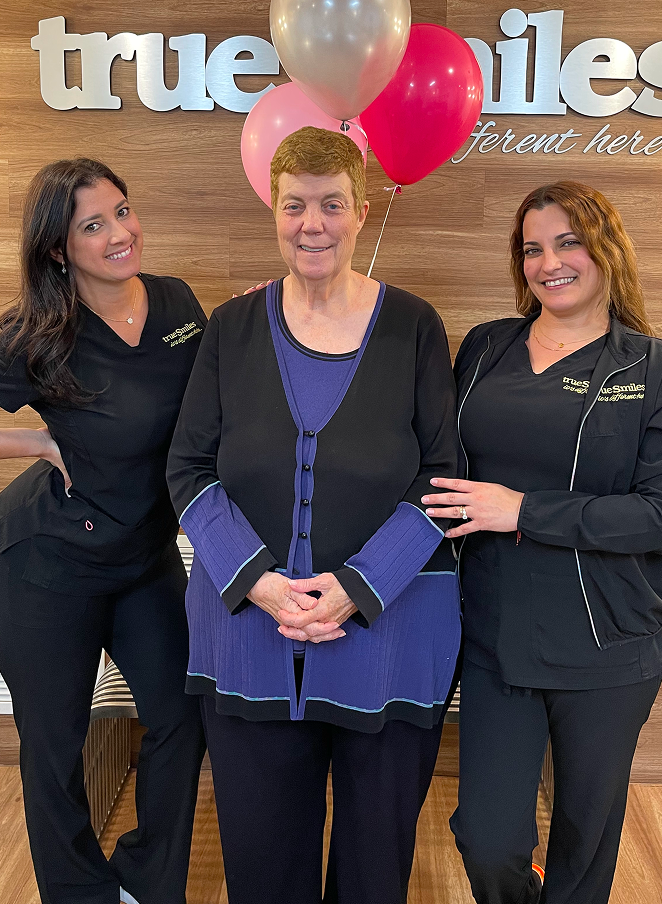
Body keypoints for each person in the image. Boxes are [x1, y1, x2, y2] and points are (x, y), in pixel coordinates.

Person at [166, 125, 461, 904]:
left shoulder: (415, 326)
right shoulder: (230, 329)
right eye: (295, 205)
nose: (312, 224)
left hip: (391, 640)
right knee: (262, 867)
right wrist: (261, 584)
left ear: (361, 211)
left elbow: (442, 477)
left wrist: (357, 587)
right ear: (273, 209)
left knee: (374, 871)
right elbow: (188, 468)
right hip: (248, 638)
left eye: (332, 204)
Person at [422, 180, 662, 904]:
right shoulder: (487, 346)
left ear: (605, 250)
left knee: (585, 841)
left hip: (607, 639)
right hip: (494, 634)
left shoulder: (648, 367)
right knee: (488, 838)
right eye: (532, 249)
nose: (549, 263)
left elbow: (654, 514)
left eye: (568, 243)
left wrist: (523, 510)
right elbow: (426, 449)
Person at [0, 159, 207, 904]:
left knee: (184, 717)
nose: (121, 233)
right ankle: (81, 895)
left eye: (122, 210)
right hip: (46, 563)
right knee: (54, 748)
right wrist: (38, 443)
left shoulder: (177, 302)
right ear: (59, 248)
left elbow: (211, 402)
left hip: (145, 555)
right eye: (94, 225)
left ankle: (147, 884)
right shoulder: (36, 334)